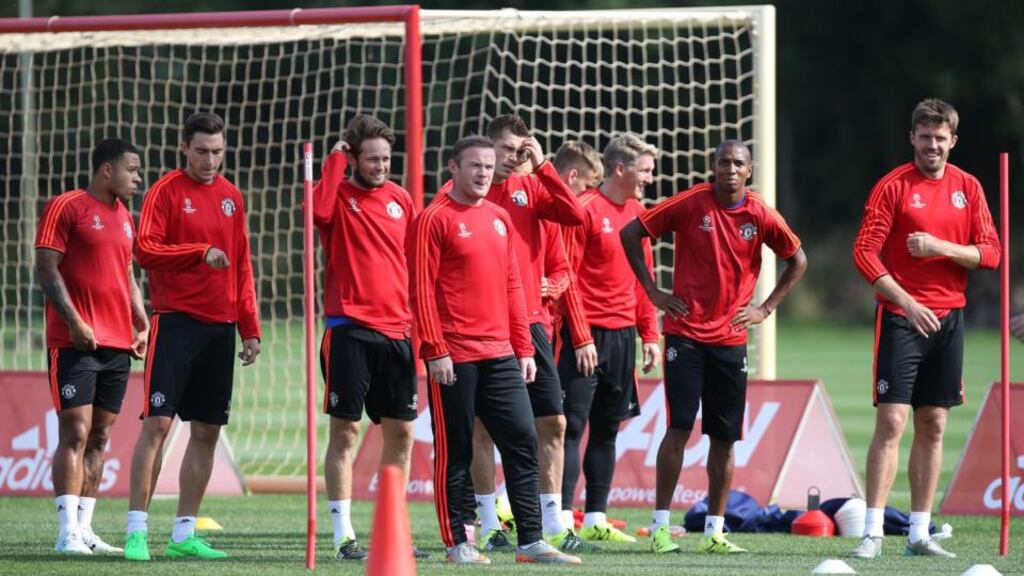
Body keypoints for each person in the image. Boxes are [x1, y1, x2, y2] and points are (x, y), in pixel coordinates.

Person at [621, 139, 807, 555]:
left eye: (738, 163)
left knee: (724, 439)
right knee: (679, 429)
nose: (730, 169)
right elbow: (631, 233)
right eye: (723, 162)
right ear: (713, 166)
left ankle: (715, 533)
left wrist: (766, 308)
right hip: (685, 335)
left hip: (730, 339)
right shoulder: (691, 202)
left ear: (749, 171)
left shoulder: (759, 213)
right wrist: (653, 290)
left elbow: (798, 260)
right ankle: (660, 528)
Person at [408, 136, 581, 565]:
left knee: (523, 440)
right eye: (475, 165)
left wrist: (523, 348)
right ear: (454, 168)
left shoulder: (500, 218)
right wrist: (435, 348)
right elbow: (421, 289)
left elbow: (512, 287)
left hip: (502, 352)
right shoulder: (433, 219)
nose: (483, 173)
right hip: (455, 355)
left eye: (488, 166)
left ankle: (531, 541)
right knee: (456, 450)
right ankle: (457, 544)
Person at [850, 98, 1000, 559]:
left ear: (953, 141)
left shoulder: (968, 188)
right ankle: (872, 533)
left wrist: (940, 246)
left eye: (940, 138)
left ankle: (918, 534)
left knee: (933, 424)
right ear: (912, 137)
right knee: (892, 421)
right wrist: (907, 302)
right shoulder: (893, 186)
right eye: (924, 136)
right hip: (901, 317)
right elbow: (864, 252)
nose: (931, 145)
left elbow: (991, 254)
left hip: (950, 319)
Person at [125, 112, 262, 561]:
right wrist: (199, 253)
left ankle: (183, 534)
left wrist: (250, 327)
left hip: (220, 329)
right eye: (202, 151)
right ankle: (136, 531)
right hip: (176, 323)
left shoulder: (231, 196)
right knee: (158, 425)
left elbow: (242, 265)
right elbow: (145, 250)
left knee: (207, 430)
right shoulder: (165, 191)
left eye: (217, 152)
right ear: (184, 148)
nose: (210, 160)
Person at [310, 115, 426, 560]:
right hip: (349, 330)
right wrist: (334, 161)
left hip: (398, 332)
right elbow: (317, 212)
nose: (380, 166)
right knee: (345, 432)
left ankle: (392, 531)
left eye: (386, 159)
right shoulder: (337, 195)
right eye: (372, 159)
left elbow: (415, 259)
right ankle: (344, 536)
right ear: (354, 159)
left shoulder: (400, 199)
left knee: (402, 433)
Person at [35, 138, 148, 556]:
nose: (138, 178)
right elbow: (46, 268)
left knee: (99, 437)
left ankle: (85, 530)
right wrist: (74, 322)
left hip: (118, 344)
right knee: (76, 432)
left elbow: (127, 273)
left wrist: (141, 320)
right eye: (132, 170)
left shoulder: (125, 218)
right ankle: (66, 533)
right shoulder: (66, 206)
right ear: (107, 170)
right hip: (74, 342)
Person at [557, 133, 660, 543]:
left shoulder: (640, 215)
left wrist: (649, 334)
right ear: (620, 169)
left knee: (607, 428)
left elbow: (644, 279)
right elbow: (567, 278)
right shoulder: (583, 209)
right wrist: (582, 337)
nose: (650, 178)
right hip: (582, 336)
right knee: (570, 426)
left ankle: (596, 517)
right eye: (645, 170)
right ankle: (561, 518)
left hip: (622, 338)